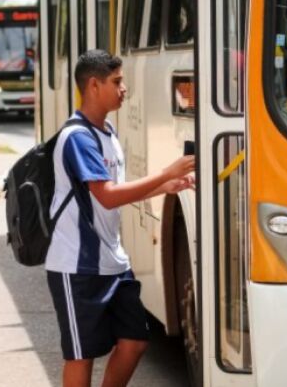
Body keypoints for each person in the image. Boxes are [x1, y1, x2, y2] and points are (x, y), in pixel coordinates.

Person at [46, 50, 195, 387]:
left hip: (112, 262)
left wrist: (165, 186)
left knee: (135, 341)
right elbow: (108, 195)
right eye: (117, 81)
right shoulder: (77, 138)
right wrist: (162, 174)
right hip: (77, 267)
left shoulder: (108, 132)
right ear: (94, 85)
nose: (124, 88)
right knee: (81, 355)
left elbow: (113, 194)